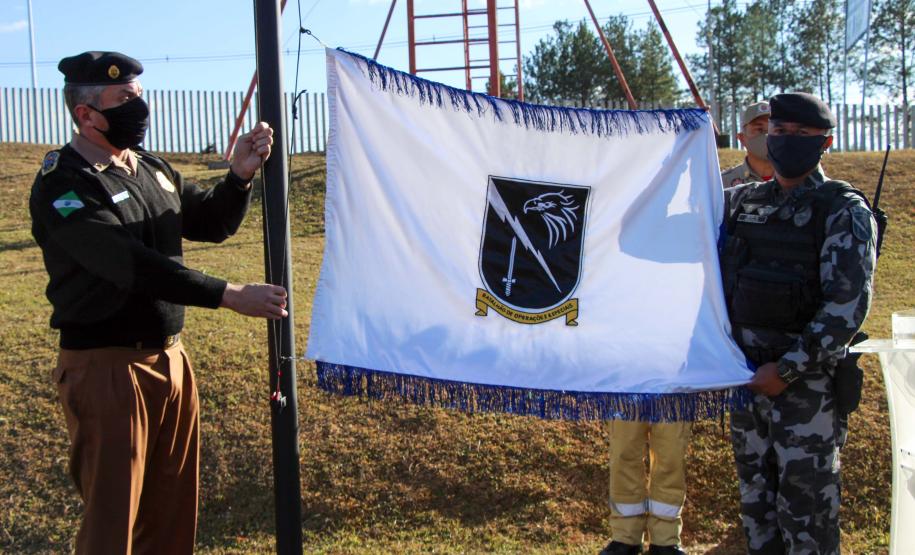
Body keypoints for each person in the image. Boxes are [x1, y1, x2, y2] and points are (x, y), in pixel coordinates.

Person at [30, 51, 287, 554]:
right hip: (107, 369)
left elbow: (210, 223)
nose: (139, 108)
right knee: (113, 524)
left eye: (140, 96)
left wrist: (238, 176)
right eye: (125, 99)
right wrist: (230, 295)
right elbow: (131, 265)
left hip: (171, 360)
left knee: (171, 519)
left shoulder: (150, 168)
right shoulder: (64, 183)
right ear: (85, 113)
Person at [719, 92, 877, 554]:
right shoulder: (744, 203)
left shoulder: (842, 211)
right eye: (779, 132)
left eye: (800, 135)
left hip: (804, 391)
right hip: (748, 385)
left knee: (806, 518)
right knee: (758, 514)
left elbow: (845, 311)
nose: (786, 141)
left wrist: (785, 371)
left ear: (825, 142)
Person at [599, 421, 691, 555]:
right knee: (624, 453)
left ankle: (665, 540)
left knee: (671, 456)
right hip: (626, 400)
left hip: (672, 400)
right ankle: (626, 537)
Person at [720, 101, 775, 188]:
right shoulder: (723, 182)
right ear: (742, 138)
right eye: (759, 129)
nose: (767, 135)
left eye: (773, 130)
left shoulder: (795, 180)